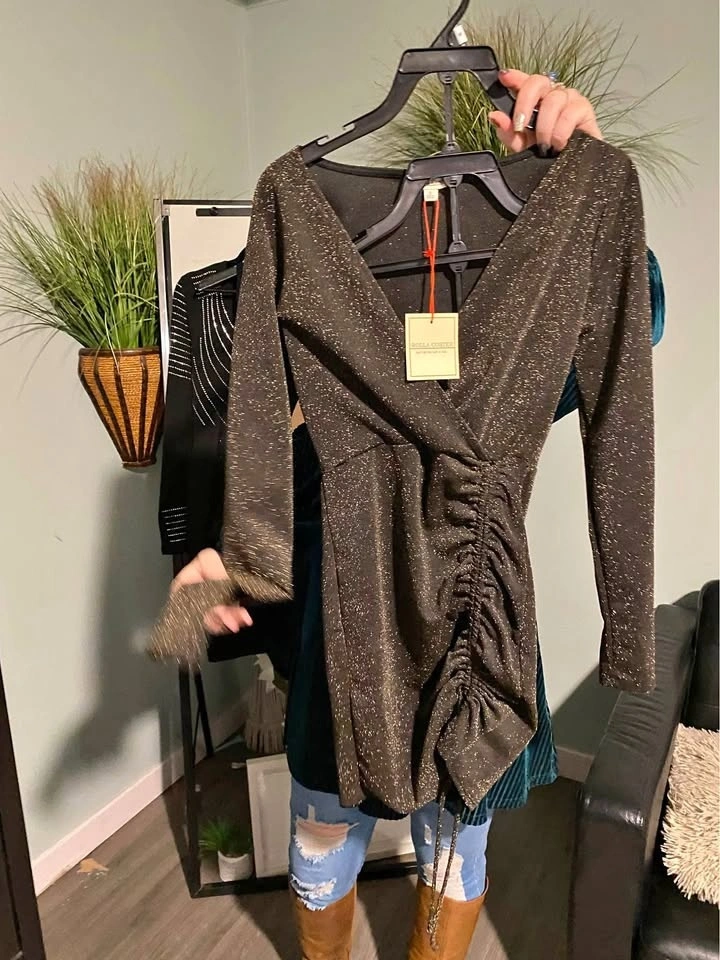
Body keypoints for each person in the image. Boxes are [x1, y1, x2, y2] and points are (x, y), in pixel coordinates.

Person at [168, 72, 625, 960]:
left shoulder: (528, 317)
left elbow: (630, 324)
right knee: (322, 820)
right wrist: (221, 549)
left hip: (477, 611)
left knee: (457, 829)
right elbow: (242, 425)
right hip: (341, 622)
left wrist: (589, 179)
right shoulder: (306, 267)